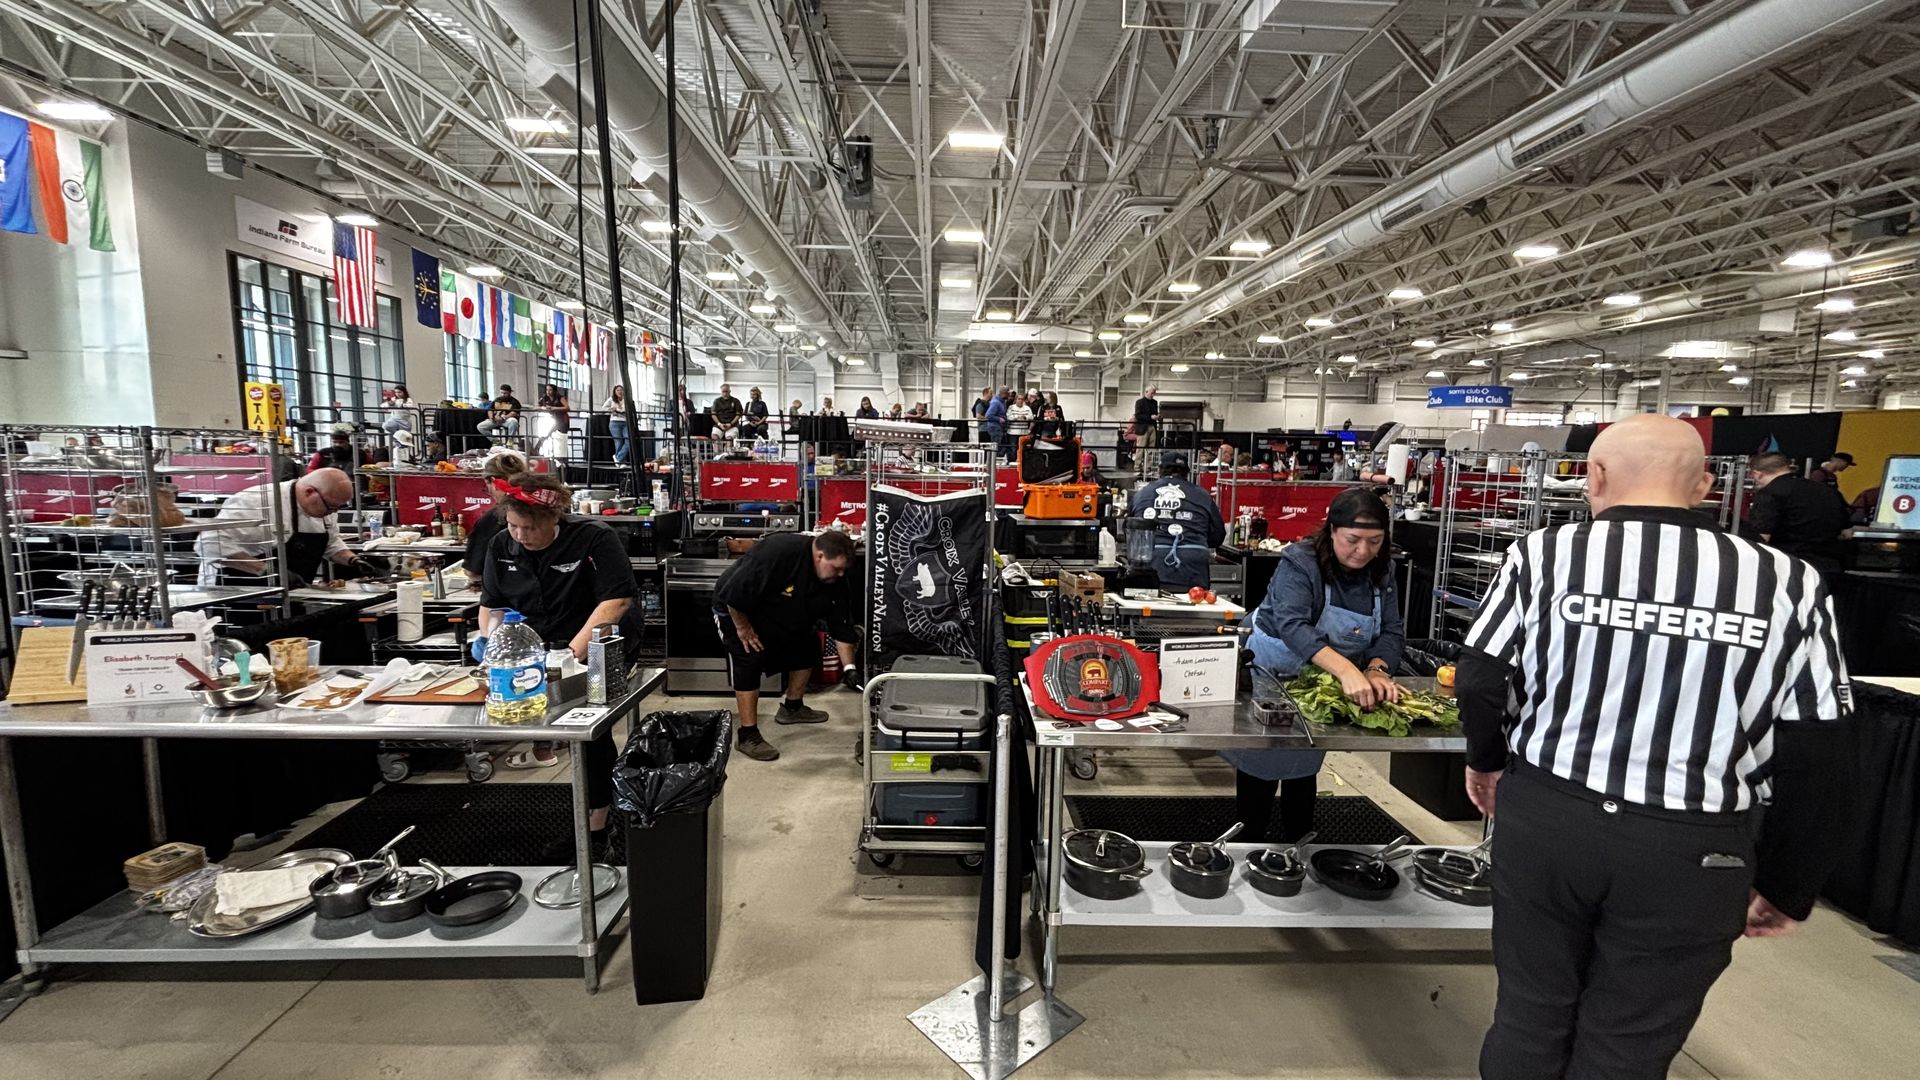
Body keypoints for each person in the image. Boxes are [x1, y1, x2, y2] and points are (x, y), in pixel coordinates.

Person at [1459, 414, 1853, 1080]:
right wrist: (1790, 883)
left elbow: (1480, 675)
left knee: (1530, 1015)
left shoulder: (1544, 554)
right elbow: (1821, 744)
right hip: (1695, 845)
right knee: (1629, 1044)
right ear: (1704, 484)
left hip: (1551, 817)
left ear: (1596, 476)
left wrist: (1487, 762)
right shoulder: (1788, 582)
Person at [1223, 488, 1402, 841]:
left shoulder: (1382, 569)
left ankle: (1299, 845)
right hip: (1272, 670)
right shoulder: (1300, 562)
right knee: (1262, 759)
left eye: (1374, 541)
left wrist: (1377, 668)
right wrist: (1348, 669)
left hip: (1322, 679)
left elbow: (1392, 630)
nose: (1363, 551)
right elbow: (1293, 626)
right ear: (1332, 531)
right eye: (1353, 540)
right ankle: (1248, 844)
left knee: (1306, 757)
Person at [472, 472, 637, 853]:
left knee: (588, 733)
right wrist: (490, 641)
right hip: (531, 648)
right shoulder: (500, 546)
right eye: (513, 525)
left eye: (529, 527)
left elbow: (616, 602)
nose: (520, 535)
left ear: (554, 518)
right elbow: (493, 606)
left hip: (595, 644)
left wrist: (568, 657)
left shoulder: (594, 539)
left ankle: (598, 827)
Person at [712, 530, 861, 762]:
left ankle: (792, 708)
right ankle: (748, 735)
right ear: (820, 556)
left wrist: (849, 668)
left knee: (808, 643)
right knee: (748, 656)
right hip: (738, 612)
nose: (841, 575)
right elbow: (734, 595)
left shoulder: (836, 578)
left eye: (844, 570)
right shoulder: (779, 552)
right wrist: (743, 628)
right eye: (836, 568)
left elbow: (840, 627)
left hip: (779, 610)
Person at [195, 468, 389, 587]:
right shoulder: (258, 502)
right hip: (239, 595)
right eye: (330, 507)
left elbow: (331, 543)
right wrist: (265, 570)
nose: (332, 513)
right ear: (309, 492)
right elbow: (208, 544)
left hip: (290, 597)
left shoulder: (323, 506)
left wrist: (354, 561)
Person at [1127, 451, 1226, 590]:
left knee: (1151, 609)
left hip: (1151, 565)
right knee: (1192, 608)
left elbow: (1129, 529)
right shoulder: (1203, 495)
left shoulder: (1143, 493)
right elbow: (1218, 536)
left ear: (1159, 471)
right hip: (1193, 566)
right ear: (1186, 473)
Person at [1747, 451, 1851, 573]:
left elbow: (1761, 538)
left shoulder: (1770, 493)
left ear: (1757, 474)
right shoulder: (1827, 491)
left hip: (1789, 567)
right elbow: (1847, 533)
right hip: (1829, 567)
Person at [461, 451, 532, 587]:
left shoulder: (492, 519)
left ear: (493, 482)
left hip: (503, 592)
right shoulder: (543, 510)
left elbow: (473, 571)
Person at [1131, 386, 1159, 475]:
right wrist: (1150, 417)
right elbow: (1138, 415)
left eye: (1154, 393)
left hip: (1152, 426)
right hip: (1143, 427)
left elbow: (1155, 413)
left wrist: (1157, 417)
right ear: (1146, 392)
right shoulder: (1139, 402)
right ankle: (1137, 466)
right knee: (1141, 448)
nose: (1153, 395)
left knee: (1151, 448)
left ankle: (1148, 467)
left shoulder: (1155, 402)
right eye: (1151, 393)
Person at [601, 385, 630, 464]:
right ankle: (621, 463)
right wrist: (611, 410)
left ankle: (618, 458)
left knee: (629, 441)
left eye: (621, 390)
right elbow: (603, 408)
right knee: (618, 442)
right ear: (615, 392)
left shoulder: (626, 400)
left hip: (625, 422)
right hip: (614, 422)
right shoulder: (611, 399)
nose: (620, 392)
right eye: (618, 390)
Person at [1004, 392, 1032, 458]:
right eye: (1019, 399)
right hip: (1013, 433)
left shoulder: (1027, 408)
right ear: (1016, 399)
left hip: (1023, 432)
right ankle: (1013, 463)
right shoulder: (1011, 407)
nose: (1020, 400)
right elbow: (1008, 417)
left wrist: (1025, 417)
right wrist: (1017, 417)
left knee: (1023, 449)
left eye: (1022, 399)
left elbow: (1031, 417)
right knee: (1013, 449)